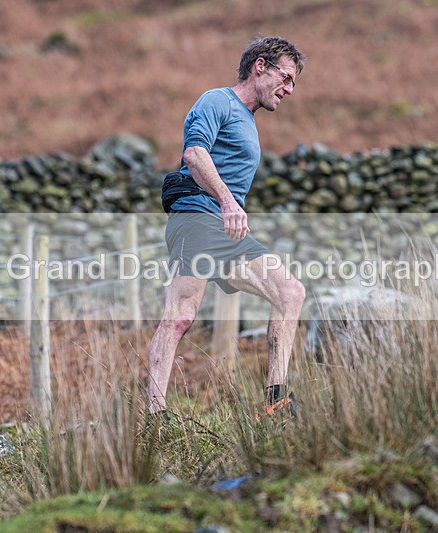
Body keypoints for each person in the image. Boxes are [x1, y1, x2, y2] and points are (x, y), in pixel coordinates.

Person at [148, 36, 307, 418]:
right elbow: (194, 153)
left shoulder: (249, 122)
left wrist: (229, 207)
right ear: (260, 66)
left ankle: (275, 402)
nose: (288, 90)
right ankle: (154, 416)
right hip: (198, 216)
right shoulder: (217, 101)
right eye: (285, 78)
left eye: (293, 85)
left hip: (226, 230)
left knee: (290, 293)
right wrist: (226, 200)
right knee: (181, 315)